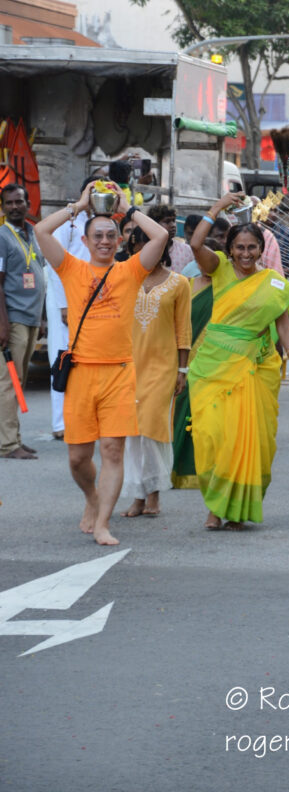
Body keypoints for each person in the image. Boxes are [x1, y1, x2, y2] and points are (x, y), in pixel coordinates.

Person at [34, 181, 168, 545]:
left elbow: (160, 236)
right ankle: (92, 498)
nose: (105, 241)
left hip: (119, 373)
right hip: (80, 374)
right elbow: (41, 231)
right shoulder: (71, 268)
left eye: (111, 235)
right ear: (86, 240)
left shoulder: (130, 270)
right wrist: (79, 205)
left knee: (112, 450)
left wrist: (128, 209)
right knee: (78, 458)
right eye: (98, 236)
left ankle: (103, 524)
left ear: (120, 240)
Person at [189, 198, 289, 529]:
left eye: (252, 247)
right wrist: (217, 208)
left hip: (252, 369)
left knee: (248, 440)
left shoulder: (273, 282)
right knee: (212, 437)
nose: (246, 253)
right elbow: (195, 244)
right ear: (230, 248)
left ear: (262, 249)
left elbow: (283, 324)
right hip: (212, 368)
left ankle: (233, 509)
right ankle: (216, 501)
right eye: (239, 247)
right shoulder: (219, 268)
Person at [120, 227, 191, 518]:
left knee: (152, 429)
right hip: (127, 365)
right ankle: (138, 495)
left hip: (163, 366)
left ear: (164, 248)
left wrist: (182, 369)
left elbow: (183, 329)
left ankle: (153, 494)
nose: (145, 251)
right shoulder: (123, 278)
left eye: (151, 245)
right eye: (139, 245)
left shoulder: (179, 283)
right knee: (132, 432)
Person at [0, 183, 46, 459]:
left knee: (20, 381)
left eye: (19, 201)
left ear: (28, 204)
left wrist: (42, 318)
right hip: (13, 318)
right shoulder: (2, 236)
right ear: (3, 207)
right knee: (10, 382)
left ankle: (14, 437)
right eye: (9, 203)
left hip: (30, 317)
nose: (15, 206)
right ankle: (7, 444)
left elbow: (40, 274)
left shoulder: (32, 233)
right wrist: (2, 323)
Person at [45, 177, 91, 441]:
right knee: (60, 356)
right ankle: (59, 422)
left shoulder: (99, 222)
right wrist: (63, 304)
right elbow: (54, 263)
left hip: (87, 298)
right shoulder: (68, 220)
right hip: (62, 297)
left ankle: (79, 418)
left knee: (83, 359)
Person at [171, 247, 216, 489]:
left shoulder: (226, 289)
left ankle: (204, 469)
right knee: (179, 412)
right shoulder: (185, 284)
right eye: (200, 260)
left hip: (212, 363)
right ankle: (175, 468)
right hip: (183, 360)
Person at [147, 204, 194, 273]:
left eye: (174, 220)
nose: (173, 225)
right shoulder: (146, 251)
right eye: (167, 221)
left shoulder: (186, 250)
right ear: (154, 224)